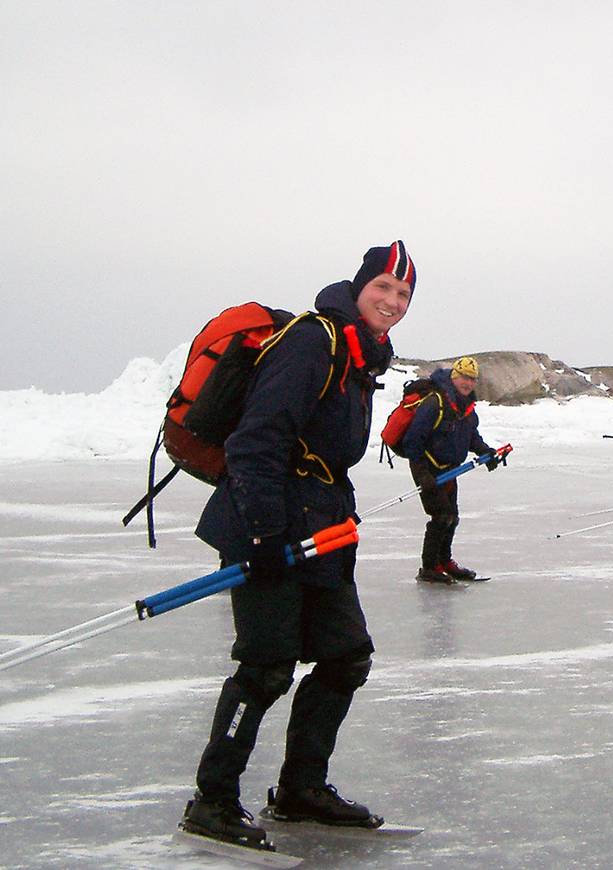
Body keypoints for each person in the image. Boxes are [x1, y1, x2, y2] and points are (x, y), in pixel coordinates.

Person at [180, 241, 416, 847]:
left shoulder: (362, 356)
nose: (392, 301)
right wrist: (262, 531)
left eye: (403, 293)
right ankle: (212, 799)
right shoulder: (317, 340)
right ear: (359, 286)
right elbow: (256, 439)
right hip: (270, 520)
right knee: (265, 667)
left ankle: (300, 789)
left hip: (323, 526)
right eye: (383, 287)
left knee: (345, 656)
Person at [401, 356, 500, 583]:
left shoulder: (466, 408)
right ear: (454, 376)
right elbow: (413, 440)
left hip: (450, 470)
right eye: (464, 377)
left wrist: (487, 453)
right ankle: (429, 568)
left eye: (472, 379)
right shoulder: (435, 402)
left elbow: (471, 437)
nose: (468, 383)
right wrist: (422, 474)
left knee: (452, 517)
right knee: (441, 516)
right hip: (427, 467)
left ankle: (444, 562)